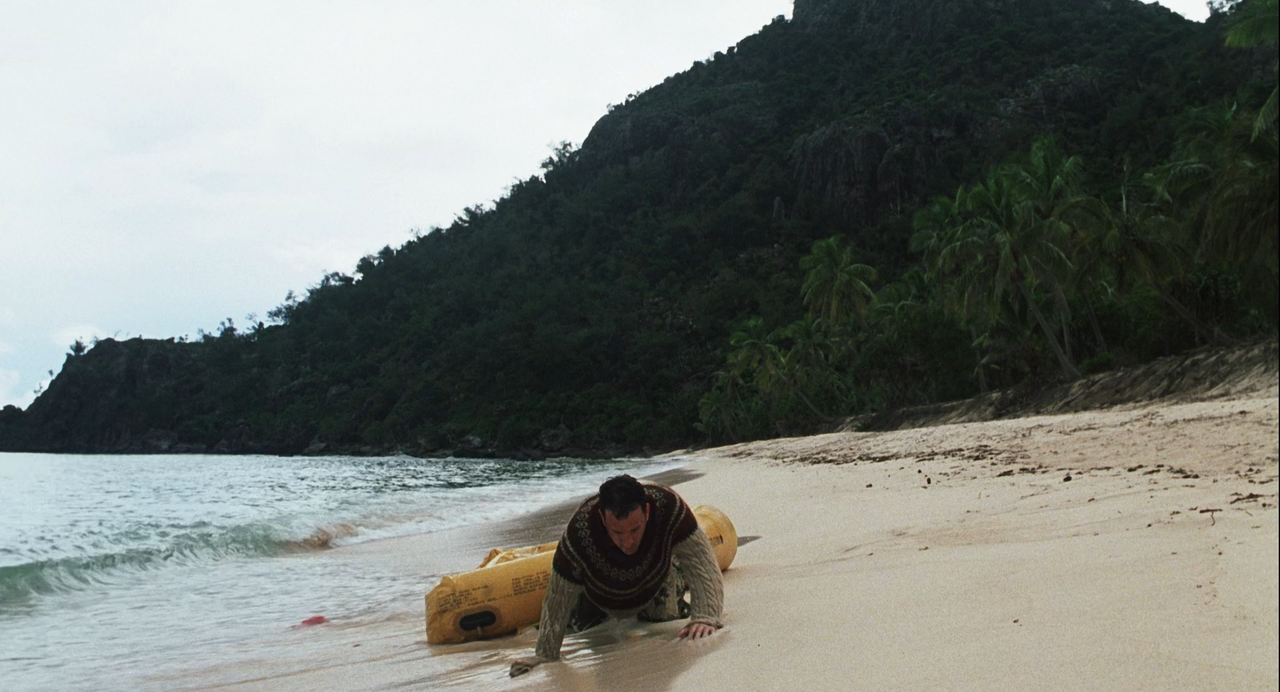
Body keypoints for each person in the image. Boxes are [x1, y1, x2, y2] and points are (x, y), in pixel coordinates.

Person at [509, 474, 724, 677]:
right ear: (603, 518)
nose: (628, 542)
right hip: (600, 597)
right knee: (587, 629)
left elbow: (701, 561)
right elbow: (558, 596)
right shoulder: (579, 531)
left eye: (635, 530)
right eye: (618, 533)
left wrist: (706, 616)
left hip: (655, 581)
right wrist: (544, 653)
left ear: (647, 512)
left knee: (664, 615)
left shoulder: (668, 507)